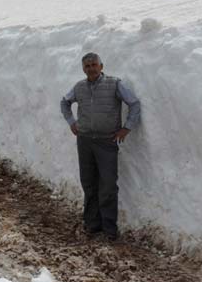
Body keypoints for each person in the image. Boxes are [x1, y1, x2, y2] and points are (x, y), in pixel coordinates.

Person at [60, 52, 141, 241]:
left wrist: (126, 128)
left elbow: (134, 104)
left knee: (108, 186)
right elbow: (64, 103)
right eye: (87, 66)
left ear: (101, 66)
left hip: (107, 142)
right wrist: (72, 122)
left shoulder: (114, 84)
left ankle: (109, 229)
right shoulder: (79, 87)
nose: (91, 68)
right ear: (83, 69)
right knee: (88, 183)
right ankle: (92, 225)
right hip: (85, 141)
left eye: (94, 65)